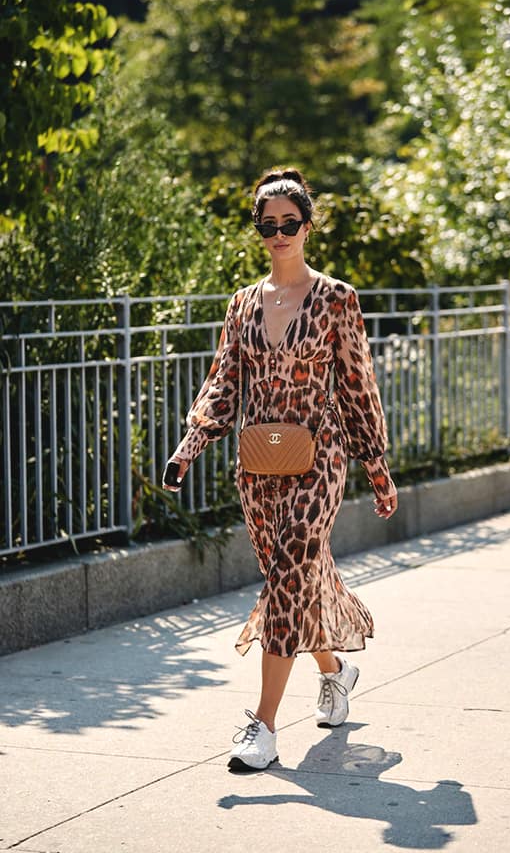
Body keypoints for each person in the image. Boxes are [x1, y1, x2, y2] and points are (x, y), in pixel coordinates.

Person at [163, 168, 398, 771]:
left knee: (289, 574)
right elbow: (223, 381)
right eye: (267, 225)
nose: (278, 234)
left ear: (308, 226)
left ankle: (263, 726)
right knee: (292, 582)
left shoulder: (337, 299)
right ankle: (336, 669)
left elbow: (356, 385)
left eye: (289, 223)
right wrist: (190, 445)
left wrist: (376, 465)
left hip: (319, 461)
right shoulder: (243, 303)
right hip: (257, 465)